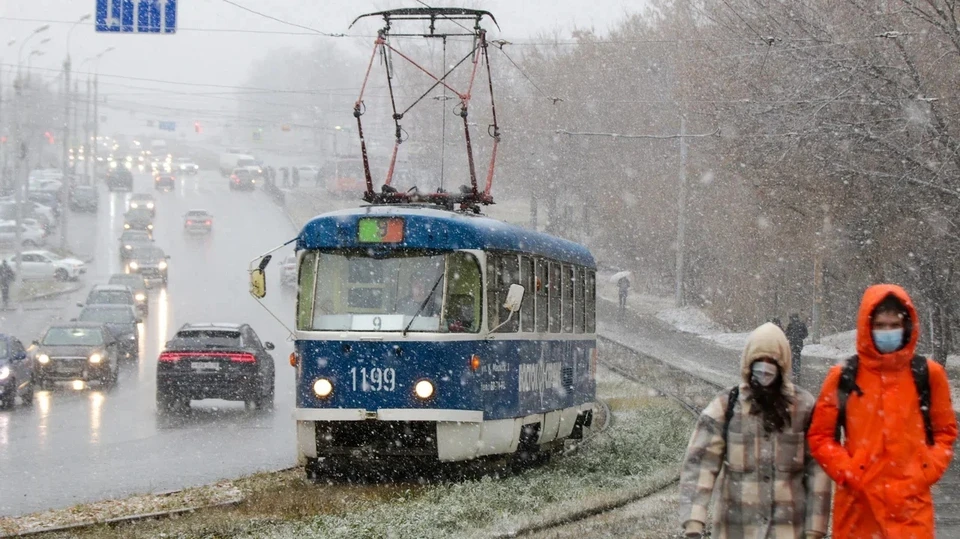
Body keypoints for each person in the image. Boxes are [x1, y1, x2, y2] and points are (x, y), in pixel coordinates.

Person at [807, 285, 957, 539]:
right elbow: (820, 436)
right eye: (880, 325)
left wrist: (924, 471)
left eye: (894, 324)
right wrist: (849, 471)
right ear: (868, 327)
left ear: (906, 326)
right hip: (858, 513)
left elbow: (946, 432)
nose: (887, 331)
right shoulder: (844, 376)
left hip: (912, 513)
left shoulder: (928, 375)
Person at [679, 322, 831, 539]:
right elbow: (700, 464)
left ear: (783, 364)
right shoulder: (726, 406)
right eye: (759, 360)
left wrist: (815, 529)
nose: (765, 368)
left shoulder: (804, 408)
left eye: (772, 361)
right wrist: (694, 523)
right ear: (748, 363)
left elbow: (818, 471)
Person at [785, 313, 808, 382]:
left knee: (793, 356)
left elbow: (787, 334)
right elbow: (806, 334)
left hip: (792, 343)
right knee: (797, 356)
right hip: (799, 343)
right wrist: (800, 337)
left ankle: (794, 371)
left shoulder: (790, 325)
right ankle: (797, 370)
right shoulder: (802, 324)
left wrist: (790, 338)